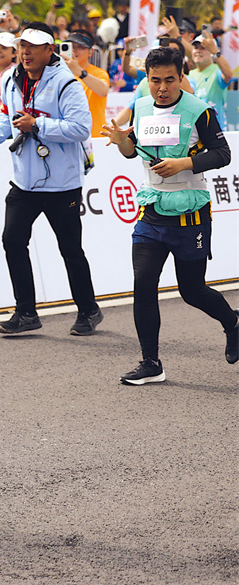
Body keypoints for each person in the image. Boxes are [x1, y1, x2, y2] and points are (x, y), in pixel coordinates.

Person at [100, 46, 238, 383]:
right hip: (151, 210)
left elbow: (223, 154)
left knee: (192, 291)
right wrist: (121, 141)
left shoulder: (199, 110)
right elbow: (134, 152)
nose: (162, 88)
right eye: (155, 80)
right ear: (147, 78)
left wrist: (184, 163)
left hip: (190, 214)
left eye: (170, 80)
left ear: (181, 77)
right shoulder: (141, 106)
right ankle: (151, 363)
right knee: (143, 285)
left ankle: (233, 323)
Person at [0, 22, 103, 336]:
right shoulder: (11, 78)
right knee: (12, 240)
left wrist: (38, 125)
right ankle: (26, 312)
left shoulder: (67, 83)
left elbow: (81, 128)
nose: (25, 52)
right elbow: (7, 114)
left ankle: (89, 310)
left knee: (70, 250)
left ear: (49, 49)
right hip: (24, 181)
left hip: (62, 184)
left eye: (32, 46)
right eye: (22, 45)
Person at [60, 30, 110, 138]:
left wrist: (80, 72)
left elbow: (103, 91)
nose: (75, 50)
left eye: (80, 47)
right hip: (69, 136)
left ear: (90, 52)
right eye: (71, 46)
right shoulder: (59, 73)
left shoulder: (99, 73)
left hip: (96, 136)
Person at [188, 31, 233, 130]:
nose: (198, 51)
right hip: (195, 131)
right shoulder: (190, 75)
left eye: (203, 48)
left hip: (216, 130)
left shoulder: (217, 70)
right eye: (196, 48)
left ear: (211, 52)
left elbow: (229, 74)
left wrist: (215, 52)